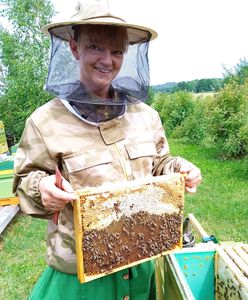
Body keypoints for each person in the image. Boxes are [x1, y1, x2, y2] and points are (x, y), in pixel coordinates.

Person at [13, 0, 202, 299]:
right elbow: (24, 182)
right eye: (96, 47)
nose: (107, 60)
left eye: (116, 51)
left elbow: (159, 163)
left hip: (141, 266)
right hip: (82, 280)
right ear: (75, 48)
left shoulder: (146, 115)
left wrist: (179, 168)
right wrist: (42, 188)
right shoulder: (44, 121)